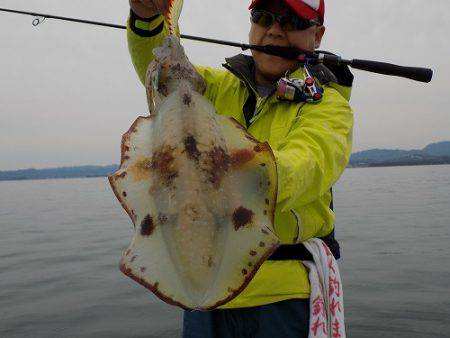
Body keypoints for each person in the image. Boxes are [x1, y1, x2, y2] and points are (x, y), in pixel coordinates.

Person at [127, 0, 354, 336]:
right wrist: (146, 18)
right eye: (263, 17)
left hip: (281, 297)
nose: (274, 29)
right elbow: (159, 72)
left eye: (292, 21)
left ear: (317, 35)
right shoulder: (214, 88)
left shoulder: (328, 106)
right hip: (202, 297)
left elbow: (308, 163)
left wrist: (222, 171)